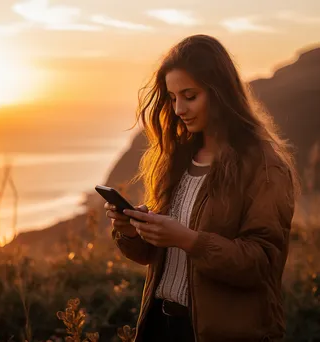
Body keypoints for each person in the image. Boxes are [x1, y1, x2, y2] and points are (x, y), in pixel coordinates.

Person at [104, 34, 300, 342]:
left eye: (189, 96)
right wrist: (132, 230)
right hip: (161, 325)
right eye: (172, 98)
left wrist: (189, 240)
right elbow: (155, 257)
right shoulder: (178, 157)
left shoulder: (264, 166)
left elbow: (262, 264)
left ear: (220, 92)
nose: (179, 108)